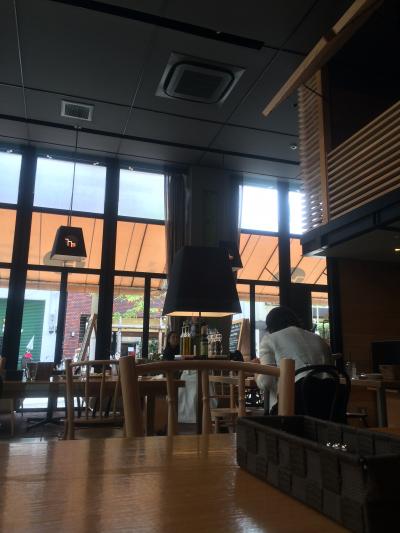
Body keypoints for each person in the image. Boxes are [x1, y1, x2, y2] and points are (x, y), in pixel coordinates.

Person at [255, 306, 331, 409]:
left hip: (293, 406)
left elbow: (266, 382)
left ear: (270, 327)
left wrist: (256, 371)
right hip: (329, 405)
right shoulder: (319, 340)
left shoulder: (270, 339)